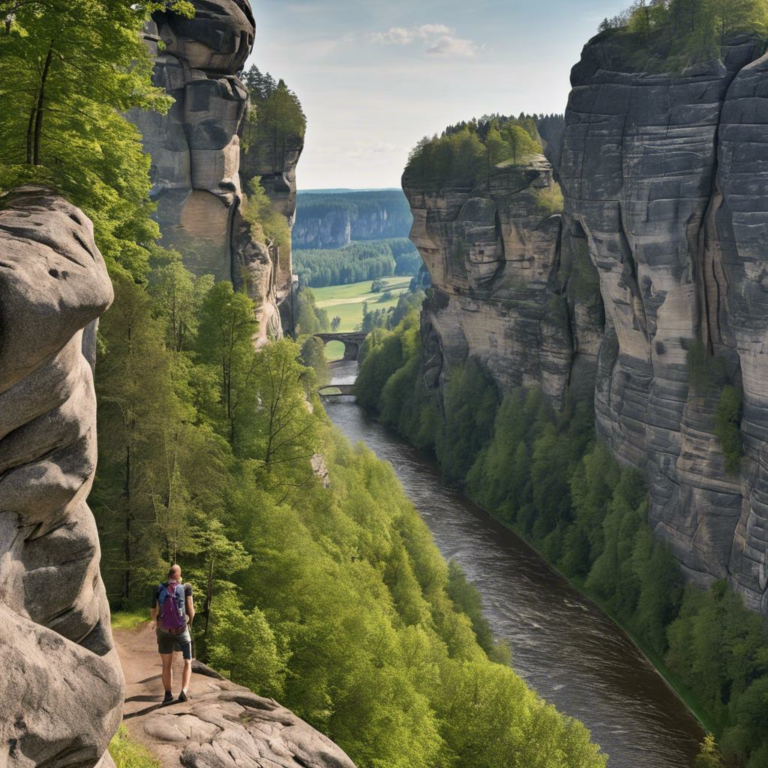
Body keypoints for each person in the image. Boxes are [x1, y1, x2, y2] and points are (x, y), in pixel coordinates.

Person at [150, 564, 195, 705]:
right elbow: (190, 609)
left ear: (168, 575)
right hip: (182, 630)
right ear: (179, 575)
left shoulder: (158, 588)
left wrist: (157, 623)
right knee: (187, 661)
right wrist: (190, 622)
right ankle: (184, 691)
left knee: (166, 665)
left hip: (164, 631)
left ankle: (168, 695)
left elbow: (153, 610)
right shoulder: (186, 587)